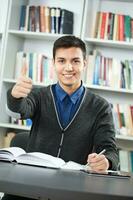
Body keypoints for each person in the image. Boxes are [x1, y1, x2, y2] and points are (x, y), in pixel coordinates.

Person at [3, 35, 118, 200]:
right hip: (30, 185)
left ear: (84, 64)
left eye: (75, 61)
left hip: (71, 190)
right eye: (62, 61)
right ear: (54, 64)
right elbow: (20, 111)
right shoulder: (39, 96)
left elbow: (110, 150)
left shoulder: (100, 107)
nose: (68, 67)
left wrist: (106, 161)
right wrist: (15, 96)